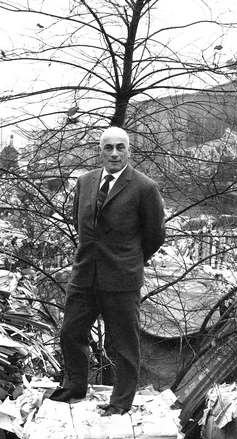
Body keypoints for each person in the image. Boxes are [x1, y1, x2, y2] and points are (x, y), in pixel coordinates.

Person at [46, 126, 166, 416]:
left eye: (120, 147)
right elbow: (80, 222)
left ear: (128, 151)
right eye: (108, 147)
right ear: (100, 151)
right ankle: (75, 386)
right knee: (71, 331)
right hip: (85, 273)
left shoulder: (144, 187)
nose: (114, 153)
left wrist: (130, 260)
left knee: (123, 343)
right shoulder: (85, 182)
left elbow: (155, 236)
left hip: (122, 279)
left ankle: (121, 401)